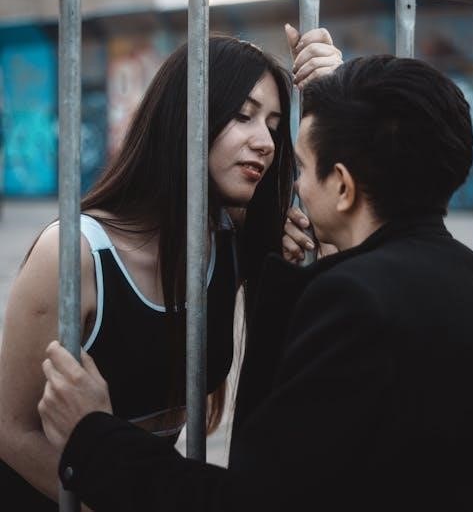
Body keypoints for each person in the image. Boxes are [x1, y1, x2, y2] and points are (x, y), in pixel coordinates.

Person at [39, 53, 473, 512]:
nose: (294, 185)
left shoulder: (355, 302)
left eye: (303, 168)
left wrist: (94, 435)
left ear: (343, 186)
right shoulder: (468, 275)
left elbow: (252, 500)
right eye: (244, 117)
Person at [0, 27, 342, 510]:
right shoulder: (76, 252)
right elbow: (10, 430)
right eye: (242, 115)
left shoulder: (233, 240)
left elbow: (355, 272)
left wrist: (336, 96)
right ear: (184, 116)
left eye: (272, 124)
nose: (264, 141)